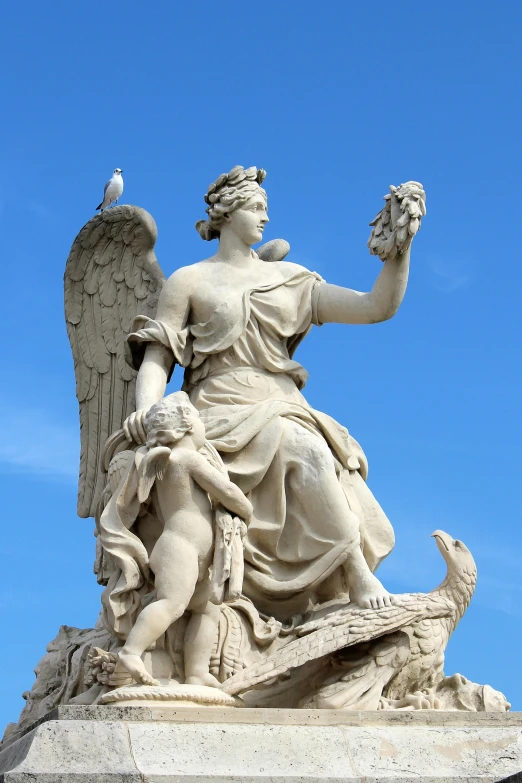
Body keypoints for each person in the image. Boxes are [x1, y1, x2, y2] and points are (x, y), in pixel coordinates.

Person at [124, 165, 410, 621]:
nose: (264, 218)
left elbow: (376, 307)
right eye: (256, 208)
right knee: (296, 440)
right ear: (227, 213)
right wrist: (147, 413)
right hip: (214, 405)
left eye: (265, 209)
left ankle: (354, 569)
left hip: (280, 401)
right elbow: (158, 358)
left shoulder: (291, 279)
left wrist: (400, 250)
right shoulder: (189, 281)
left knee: (308, 445)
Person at [117, 392, 253, 687]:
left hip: (190, 552)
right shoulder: (186, 458)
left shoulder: (164, 460)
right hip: (180, 548)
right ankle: (131, 651)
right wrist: (245, 509)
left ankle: (196, 671)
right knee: (172, 603)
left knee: (206, 608)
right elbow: (226, 492)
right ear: (190, 426)